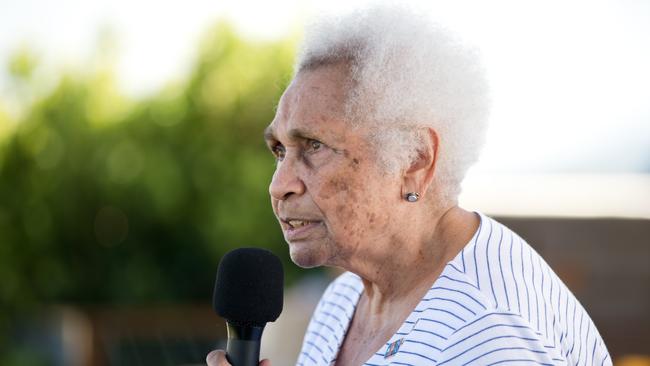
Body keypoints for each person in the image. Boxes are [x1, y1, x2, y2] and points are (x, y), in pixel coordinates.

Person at [207, 4, 611, 366]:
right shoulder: (343, 300)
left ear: (415, 160)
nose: (280, 186)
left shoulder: (487, 337)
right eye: (280, 150)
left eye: (314, 145)